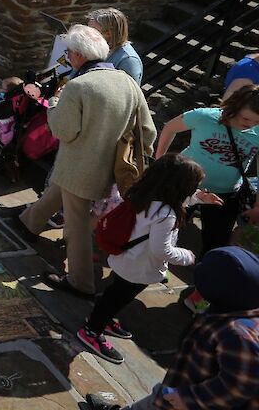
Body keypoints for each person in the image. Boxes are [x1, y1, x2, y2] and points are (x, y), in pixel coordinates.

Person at [16, 24, 157, 298]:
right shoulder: (127, 82)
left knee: (78, 225)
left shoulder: (78, 86)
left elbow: (63, 131)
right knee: (58, 191)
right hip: (109, 167)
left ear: (79, 55)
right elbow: (148, 131)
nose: (67, 56)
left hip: (79, 168)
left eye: (69, 52)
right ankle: (29, 222)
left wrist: (55, 104)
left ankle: (81, 282)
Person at [83, 245, 259, 410]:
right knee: (153, 402)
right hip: (180, 385)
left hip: (191, 401)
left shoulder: (238, 334)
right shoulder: (234, 306)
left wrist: (191, 398)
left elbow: (240, 385)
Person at [75, 154, 209, 364]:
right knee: (117, 298)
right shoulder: (166, 215)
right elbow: (161, 250)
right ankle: (91, 330)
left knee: (114, 293)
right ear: (180, 186)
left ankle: (102, 319)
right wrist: (187, 256)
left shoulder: (144, 195)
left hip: (127, 260)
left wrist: (199, 199)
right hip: (139, 267)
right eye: (195, 186)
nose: (196, 189)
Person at [153, 84, 259, 305]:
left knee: (215, 243)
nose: (251, 126)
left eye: (257, 122)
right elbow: (170, 128)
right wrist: (160, 161)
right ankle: (154, 267)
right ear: (233, 107)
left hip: (226, 193)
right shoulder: (204, 117)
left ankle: (201, 293)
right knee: (167, 228)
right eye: (247, 120)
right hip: (185, 186)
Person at [87, 7, 143, 84]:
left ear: (108, 33)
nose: (86, 35)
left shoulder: (128, 60)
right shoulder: (97, 48)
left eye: (92, 31)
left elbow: (128, 93)